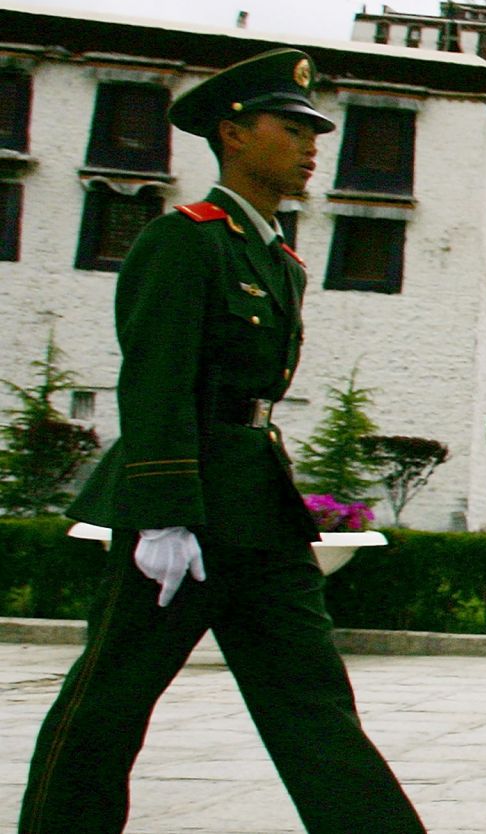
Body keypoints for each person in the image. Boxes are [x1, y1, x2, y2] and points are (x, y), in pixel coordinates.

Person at [18, 48, 425, 834]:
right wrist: (165, 513)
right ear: (234, 134)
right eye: (292, 128)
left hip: (257, 504)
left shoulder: (277, 258)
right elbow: (156, 380)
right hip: (183, 503)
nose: (313, 147)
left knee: (314, 705)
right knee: (109, 701)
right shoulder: (186, 241)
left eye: (316, 131)